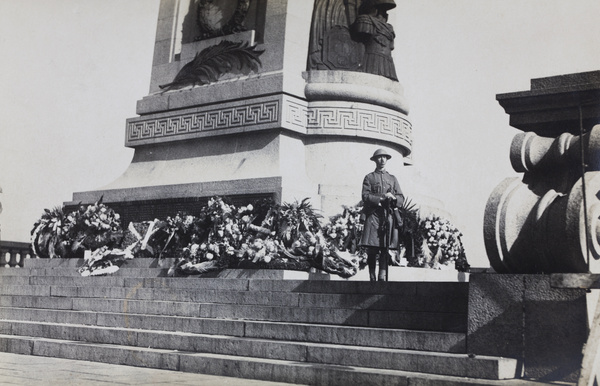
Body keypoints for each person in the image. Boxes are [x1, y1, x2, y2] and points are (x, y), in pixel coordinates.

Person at [359, 148, 404, 281]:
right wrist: (381, 198)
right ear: (375, 160)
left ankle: (382, 276)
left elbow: (401, 197)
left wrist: (394, 199)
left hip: (387, 216)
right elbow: (365, 196)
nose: (382, 160)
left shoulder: (392, 178)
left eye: (384, 157)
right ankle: (372, 276)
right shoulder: (369, 177)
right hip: (373, 215)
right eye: (379, 157)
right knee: (372, 249)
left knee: (385, 247)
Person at [351, 0, 398, 81]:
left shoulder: (389, 27)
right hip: (371, 60)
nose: (385, 13)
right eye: (382, 9)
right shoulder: (366, 19)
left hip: (387, 62)